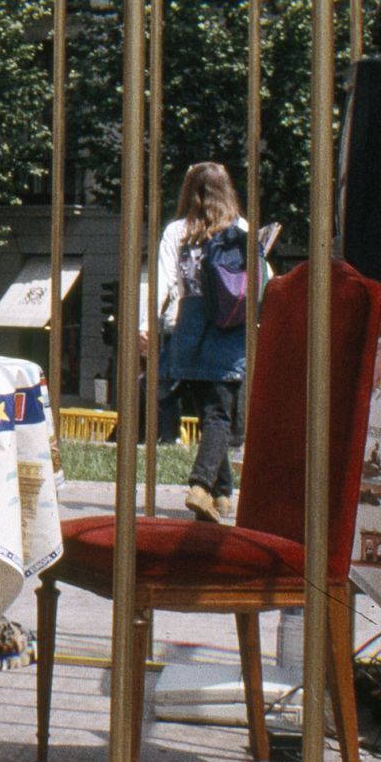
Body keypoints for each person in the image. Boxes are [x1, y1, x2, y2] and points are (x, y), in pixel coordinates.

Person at [151, 162, 254, 525]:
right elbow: (262, 279)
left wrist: (145, 325)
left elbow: (163, 281)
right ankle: (200, 484)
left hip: (189, 327)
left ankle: (222, 494)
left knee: (206, 413)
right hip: (229, 328)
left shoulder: (176, 231)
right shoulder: (241, 229)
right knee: (218, 415)